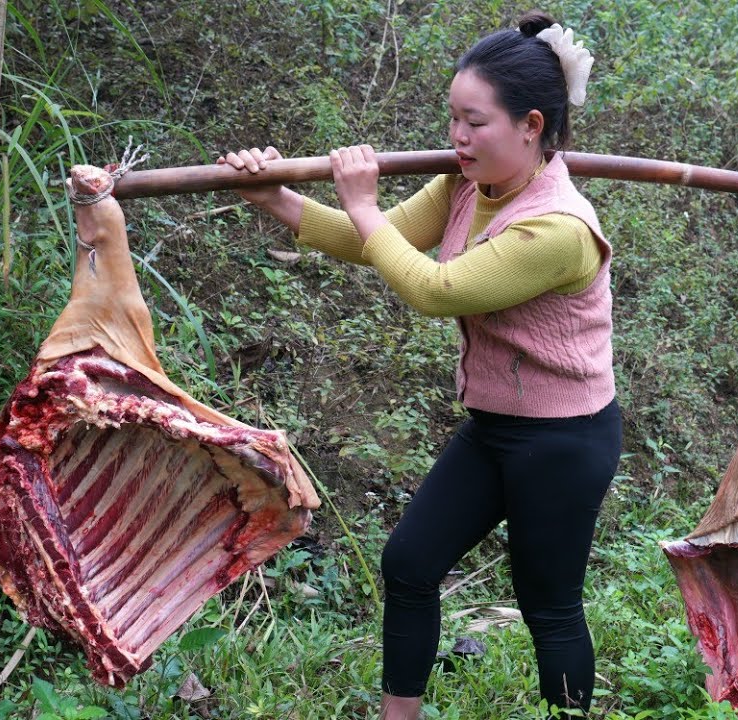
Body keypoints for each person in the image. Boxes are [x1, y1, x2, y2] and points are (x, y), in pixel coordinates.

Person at [220, 11, 620, 718]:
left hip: (564, 441)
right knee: (409, 563)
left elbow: (434, 290)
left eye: (475, 122)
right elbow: (371, 239)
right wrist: (276, 197)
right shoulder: (466, 181)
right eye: (452, 119)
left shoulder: (556, 228)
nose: (457, 138)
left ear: (531, 125)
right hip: (495, 428)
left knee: (548, 606)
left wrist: (364, 201)